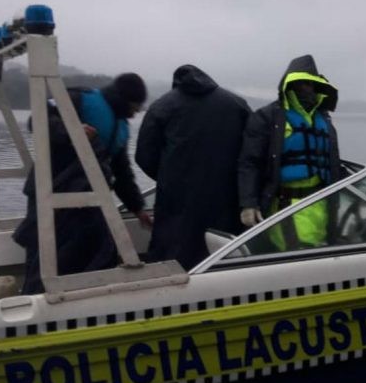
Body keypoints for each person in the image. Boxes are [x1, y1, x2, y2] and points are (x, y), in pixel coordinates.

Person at [13, 73, 152, 294]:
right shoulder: (79, 99)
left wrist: (138, 208)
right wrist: (72, 131)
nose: (135, 113)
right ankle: (34, 297)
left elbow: (122, 173)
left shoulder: (121, 128)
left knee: (96, 250)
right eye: (135, 107)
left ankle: (80, 296)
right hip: (50, 189)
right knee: (43, 251)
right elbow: (37, 120)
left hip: (87, 200)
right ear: (124, 99)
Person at [135, 65, 252, 269]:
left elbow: (144, 155)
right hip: (226, 197)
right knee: (221, 254)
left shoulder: (161, 106)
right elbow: (251, 152)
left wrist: (168, 177)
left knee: (173, 255)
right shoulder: (236, 104)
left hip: (176, 200)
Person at [237, 54, 341, 250]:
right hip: (287, 207)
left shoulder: (323, 119)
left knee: (322, 252)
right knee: (298, 255)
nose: (307, 89)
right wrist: (248, 203)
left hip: (323, 204)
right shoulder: (267, 117)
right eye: (301, 83)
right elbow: (250, 162)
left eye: (310, 84)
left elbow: (333, 162)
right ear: (289, 85)